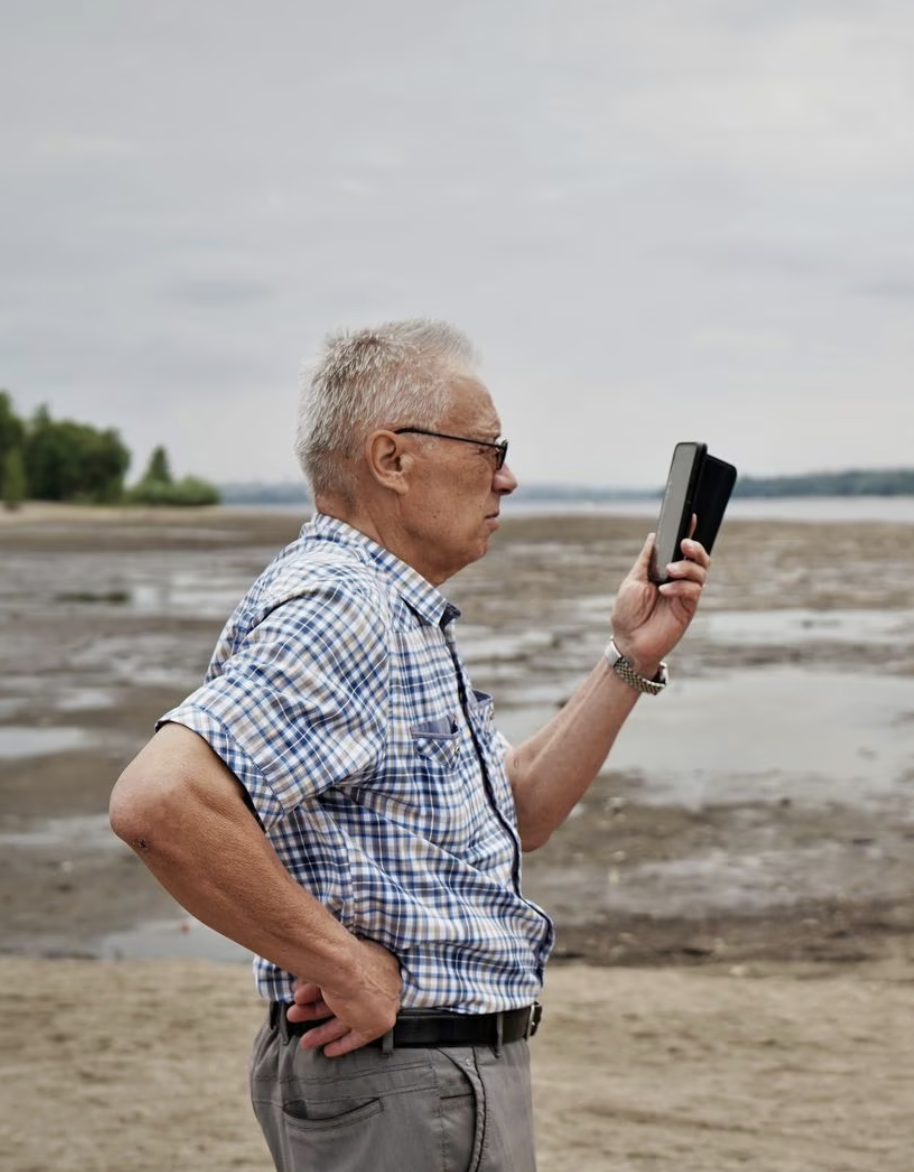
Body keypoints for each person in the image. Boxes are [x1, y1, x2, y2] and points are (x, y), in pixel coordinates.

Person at [108, 319, 710, 1171]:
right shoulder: (345, 606)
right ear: (391, 459)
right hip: (407, 1082)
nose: (508, 477)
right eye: (488, 448)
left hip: (423, 1081)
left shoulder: (388, 609)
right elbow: (159, 802)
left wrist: (628, 658)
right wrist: (341, 965)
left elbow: (522, 810)